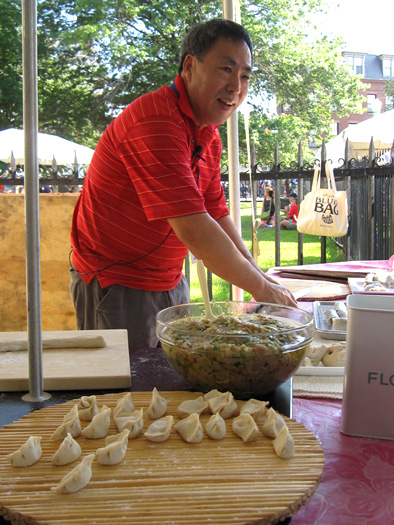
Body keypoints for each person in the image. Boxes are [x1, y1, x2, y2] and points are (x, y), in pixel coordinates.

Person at [69, 19, 296, 348]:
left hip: (171, 279)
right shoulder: (156, 121)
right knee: (125, 395)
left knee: (170, 386)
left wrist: (259, 277)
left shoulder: (208, 134)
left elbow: (216, 213)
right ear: (190, 65)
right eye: (225, 69)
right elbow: (195, 229)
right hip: (116, 284)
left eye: (245, 76)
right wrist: (262, 290)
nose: (236, 87)